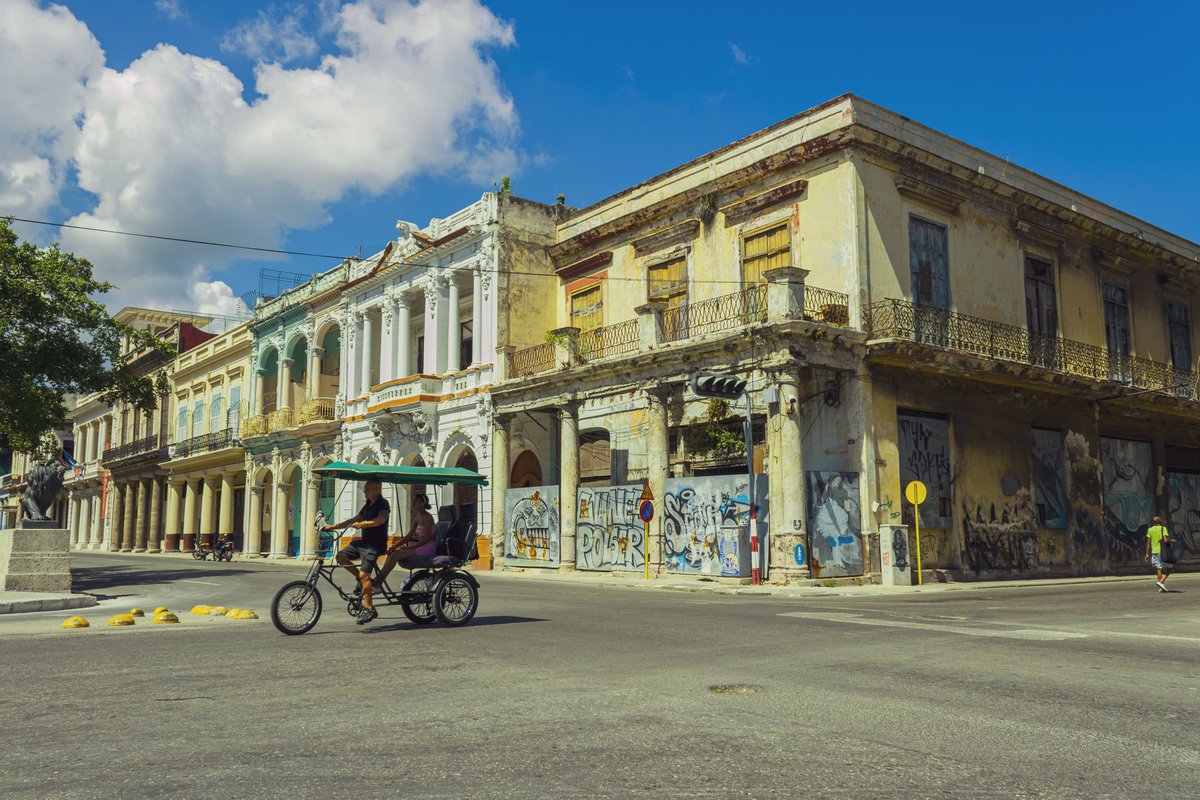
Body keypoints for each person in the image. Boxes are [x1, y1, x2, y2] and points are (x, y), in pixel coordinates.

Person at [324, 479, 390, 624]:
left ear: (376, 489)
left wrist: (364, 524)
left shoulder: (383, 504)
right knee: (340, 556)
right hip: (363, 543)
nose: (365, 492)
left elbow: (380, 520)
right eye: (365, 489)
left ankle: (369, 608)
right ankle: (362, 581)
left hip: (375, 545)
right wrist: (332, 526)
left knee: (364, 574)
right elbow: (353, 520)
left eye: (367, 489)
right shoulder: (367, 505)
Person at [374, 491, 437, 589]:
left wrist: (412, 547)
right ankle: (379, 581)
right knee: (392, 553)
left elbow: (427, 538)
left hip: (427, 547)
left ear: (422, 503)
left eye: (416, 502)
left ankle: (377, 581)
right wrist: (394, 546)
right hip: (419, 546)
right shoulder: (417, 517)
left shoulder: (428, 517)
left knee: (396, 555)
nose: (413, 504)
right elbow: (408, 536)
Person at [1144, 515, 1174, 593]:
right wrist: (1172, 541)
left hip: (1154, 551)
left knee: (1159, 568)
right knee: (1170, 568)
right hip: (1162, 551)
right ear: (1160, 522)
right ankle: (1161, 582)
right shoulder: (1163, 528)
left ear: (1153, 522)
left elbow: (1148, 542)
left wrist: (1147, 554)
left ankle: (1161, 586)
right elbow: (1165, 540)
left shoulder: (1150, 530)